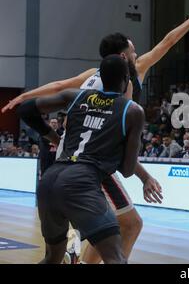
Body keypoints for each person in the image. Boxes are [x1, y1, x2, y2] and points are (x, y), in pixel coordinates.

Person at [2, 3, 189, 263]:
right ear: (124, 58)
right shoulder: (127, 88)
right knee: (129, 224)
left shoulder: (92, 75)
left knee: (109, 226)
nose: (138, 53)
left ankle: (79, 253)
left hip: (69, 155)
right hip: (90, 159)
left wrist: (27, 96)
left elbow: (59, 86)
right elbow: (166, 43)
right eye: (133, 50)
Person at [17, 55, 144, 264]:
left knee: (52, 257)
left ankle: (72, 251)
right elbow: (128, 170)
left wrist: (54, 138)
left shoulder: (75, 96)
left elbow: (26, 110)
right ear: (126, 78)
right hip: (82, 182)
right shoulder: (131, 111)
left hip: (49, 180)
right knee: (115, 257)